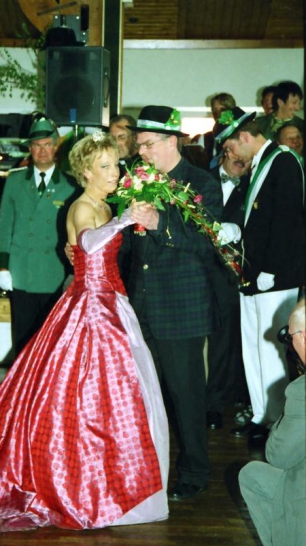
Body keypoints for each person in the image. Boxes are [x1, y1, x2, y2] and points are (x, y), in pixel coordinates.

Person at [0, 132, 170, 532]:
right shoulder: (82, 205)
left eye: (115, 164)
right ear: (86, 172)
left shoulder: (103, 204)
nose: (115, 172)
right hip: (92, 310)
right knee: (85, 396)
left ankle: (112, 481)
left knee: (115, 397)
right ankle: (88, 484)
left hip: (111, 305)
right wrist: (124, 220)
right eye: (105, 166)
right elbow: (89, 243)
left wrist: (125, 218)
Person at [122, 105, 238, 501]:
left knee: (186, 398)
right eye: (139, 145)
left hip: (181, 308)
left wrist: (160, 224)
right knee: (144, 396)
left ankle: (194, 472)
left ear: (172, 141)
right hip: (142, 304)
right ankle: (147, 470)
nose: (141, 152)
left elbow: (207, 242)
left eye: (147, 144)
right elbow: (130, 246)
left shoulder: (201, 182)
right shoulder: (138, 180)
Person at [213, 107, 305, 440]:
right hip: (251, 273)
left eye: (231, 147)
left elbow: (287, 220)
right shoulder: (259, 165)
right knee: (252, 346)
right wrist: (236, 230)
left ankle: (278, 420)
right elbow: (258, 218)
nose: (231, 154)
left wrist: (271, 269)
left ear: (245, 136)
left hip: (274, 276)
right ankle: (261, 413)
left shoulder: (283, 161)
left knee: (271, 349)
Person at [239, 298, 306, 546]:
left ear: (303, 337)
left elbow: (278, 455)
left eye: (289, 337)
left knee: (258, 474)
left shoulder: (301, 391)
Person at [0, 117, 81, 355]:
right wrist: (2, 266)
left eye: (47, 145)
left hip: (54, 272)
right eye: (37, 145)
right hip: (22, 270)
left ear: (55, 148)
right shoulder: (14, 181)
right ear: (30, 149)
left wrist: (74, 270)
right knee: (23, 337)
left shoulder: (71, 185)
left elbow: (75, 232)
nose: (42, 151)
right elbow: (5, 226)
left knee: (52, 339)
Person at [206, 148, 251, 430]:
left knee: (222, 343)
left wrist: (239, 231)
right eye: (235, 151)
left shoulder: (253, 186)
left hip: (228, 277)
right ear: (225, 149)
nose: (240, 159)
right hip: (194, 272)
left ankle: (214, 405)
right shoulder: (200, 179)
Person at [192, 92, 237, 168]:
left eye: (222, 109)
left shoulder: (241, 136)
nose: (218, 114)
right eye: (215, 110)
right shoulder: (205, 138)